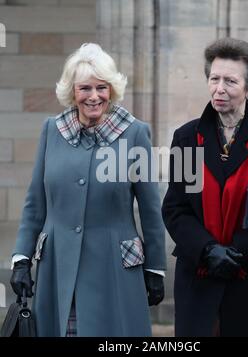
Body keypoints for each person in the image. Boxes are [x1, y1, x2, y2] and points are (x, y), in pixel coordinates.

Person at [10, 43, 166, 337]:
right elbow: (35, 202)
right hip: (57, 264)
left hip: (115, 268)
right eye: (85, 88)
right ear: (72, 92)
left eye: (101, 88)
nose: (94, 96)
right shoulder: (51, 130)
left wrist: (156, 267)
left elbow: (150, 206)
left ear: (112, 90)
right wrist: (21, 258)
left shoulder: (134, 133)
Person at [162, 38, 248, 337]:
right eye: (214, 79)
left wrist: (236, 251)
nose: (219, 88)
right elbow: (176, 209)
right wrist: (209, 250)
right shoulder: (187, 138)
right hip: (200, 277)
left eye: (230, 81)